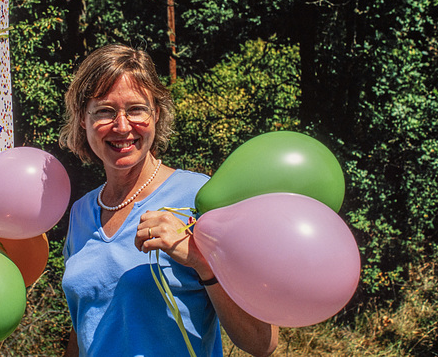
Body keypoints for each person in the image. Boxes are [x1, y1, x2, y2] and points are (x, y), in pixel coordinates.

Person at [59, 44, 278, 357]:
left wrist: (201, 262)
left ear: (156, 114)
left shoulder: (199, 198)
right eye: (105, 111)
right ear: (83, 119)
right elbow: (86, 326)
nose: (122, 126)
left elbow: (263, 342)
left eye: (136, 109)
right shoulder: (82, 211)